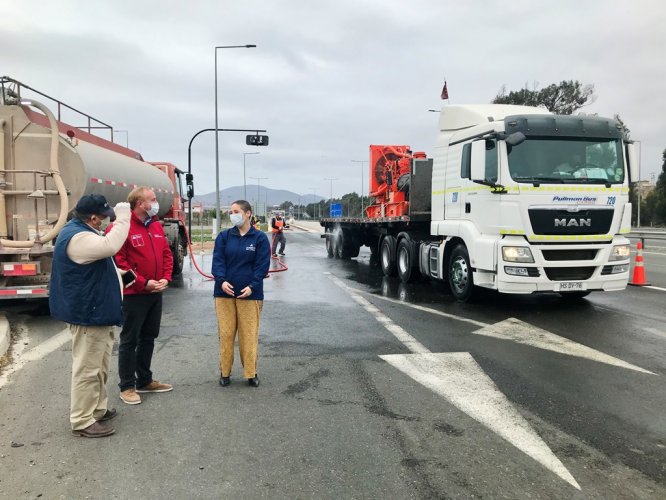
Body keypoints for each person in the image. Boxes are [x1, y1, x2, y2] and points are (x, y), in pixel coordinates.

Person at [49, 194, 131, 438]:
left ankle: (97, 408)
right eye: (104, 217)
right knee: (87, 369)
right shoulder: (77, 237)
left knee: (99, 366)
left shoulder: (84, 232)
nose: (106, 221)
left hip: (97, 312)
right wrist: (124, 217)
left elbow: (98, 263)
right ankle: (82, 420)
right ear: (93, 218)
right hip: (88, 314)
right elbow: (110, 246)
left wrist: (119, 275)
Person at [110, 187, 173, 405]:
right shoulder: (121, 227)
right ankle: (127, 386)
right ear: (139, 203)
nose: (156, 203)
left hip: (155, 293)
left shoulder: (155, 224)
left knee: (149, 337)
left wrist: (166, 278)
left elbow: (166, 253)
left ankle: (144, 380)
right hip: (134, 294)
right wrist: (142, 283)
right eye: (153, 200)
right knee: (129, 340)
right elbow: (119, 262)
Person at [212, 200, 270, 387]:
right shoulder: (224, 237)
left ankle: (251, 373)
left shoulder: (259, 238)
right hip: (224, 294)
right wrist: (221, 281)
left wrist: (252, 286)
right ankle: (225, 372)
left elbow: (262, 266)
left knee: (249, 335)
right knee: (226, 334)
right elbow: (218, 261)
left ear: (248, 214)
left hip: (250, 295)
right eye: (231, 211)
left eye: (236, 211)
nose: (232, 214)